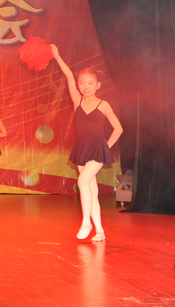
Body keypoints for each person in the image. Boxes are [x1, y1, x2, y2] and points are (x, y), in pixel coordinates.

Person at [52, 45, 123, 242]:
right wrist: (57, 56)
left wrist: (106, 147)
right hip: (82, 148)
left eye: (90, 83)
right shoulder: (77, 101)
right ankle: (100, 231)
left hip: (98, 149)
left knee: (82, 181)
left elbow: (118, 128)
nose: (86, 86)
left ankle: (86, 223)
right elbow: (68, 75)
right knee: (91, 190)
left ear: (98, 85)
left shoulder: (103, 105)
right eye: (82, 83)